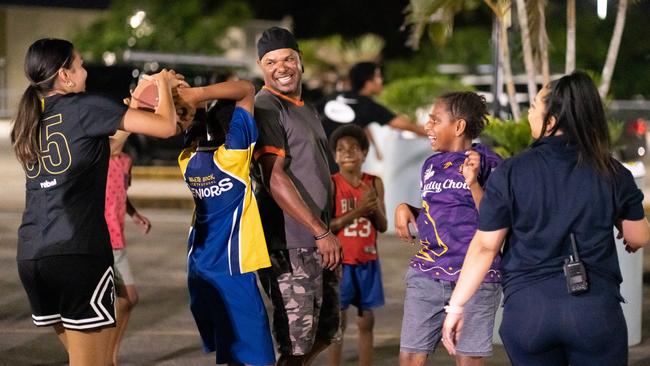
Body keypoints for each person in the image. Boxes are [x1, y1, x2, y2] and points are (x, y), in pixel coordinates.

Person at [441, 71, 650, 366]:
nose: (529, 114)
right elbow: (638, 236)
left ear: (550, 121)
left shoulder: (511, 172)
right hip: (594, 313)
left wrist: (456, 307)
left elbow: (485, 247)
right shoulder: (613, 172)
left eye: (534, 107)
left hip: (528, 313)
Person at [11, 38, 179, 366]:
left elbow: (104, 148)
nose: (86, 72)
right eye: (81, 65)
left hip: (32, 256)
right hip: (78, 253)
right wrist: (162, 84)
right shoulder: (85, 106)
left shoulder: (29, 120)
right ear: (65, 75)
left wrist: (133, 108)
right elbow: (167, 126)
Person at [252, 26, 342, 365]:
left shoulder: (305, 108)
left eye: (288, 58)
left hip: (318, 240)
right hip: (290, 243)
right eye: (272, 61)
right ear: (261, 66)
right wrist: (320, 231)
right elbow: (273, 178)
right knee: (295, 343)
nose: (282, 67)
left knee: (327, 329)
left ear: (300, 61)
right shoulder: (267, 106)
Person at [394, 91, 502, 366]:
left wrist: (474, 183)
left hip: (475, 278)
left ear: (458, 126)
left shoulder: (489, 163)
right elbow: (440, 213)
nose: (427, 127)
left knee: (466, 361)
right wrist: (407, 209)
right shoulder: (430, 165)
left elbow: (495, 220)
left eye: (434, 120)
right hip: (427, 273)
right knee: (409, 357)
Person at [176, 79, 275, 366]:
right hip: (231, 272)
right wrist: (197, 94)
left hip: (200, 271)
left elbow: (191, 126)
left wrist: (193, 102)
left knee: (232, 354)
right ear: (234, 131)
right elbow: (246, 89)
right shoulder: (232, 161)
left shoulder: (188, 161)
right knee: (260, 359)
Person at [326, 125, 387, 366]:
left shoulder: (374, 183)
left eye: (353, 148)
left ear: (364, 152)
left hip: (368, 260)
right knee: (338, 322)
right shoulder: (332, 184)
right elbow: (326, 225)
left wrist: (371, 211)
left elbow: (382, 225)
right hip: (340, 262)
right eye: (341, 149)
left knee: (366, 321)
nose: (347, 153)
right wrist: (358, 211)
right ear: (335, 156)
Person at [105, 130, 151, 366]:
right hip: (98, 239)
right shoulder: (97, 159)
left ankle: (110, 355)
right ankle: (100, 356)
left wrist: (134, 214)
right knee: (112, 300)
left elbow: (121, 193)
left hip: (117, 237)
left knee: (129, 297)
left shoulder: (126, 161)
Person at [321, 61, 426, 162]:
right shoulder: (368, 106)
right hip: (328, 161)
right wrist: (432, 133)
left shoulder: (334, 96)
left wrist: (376, 148)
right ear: (368, 82)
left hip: (311, 152)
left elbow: (361, 124)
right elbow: (407, 126)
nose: (381, 80)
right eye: (378, 76)